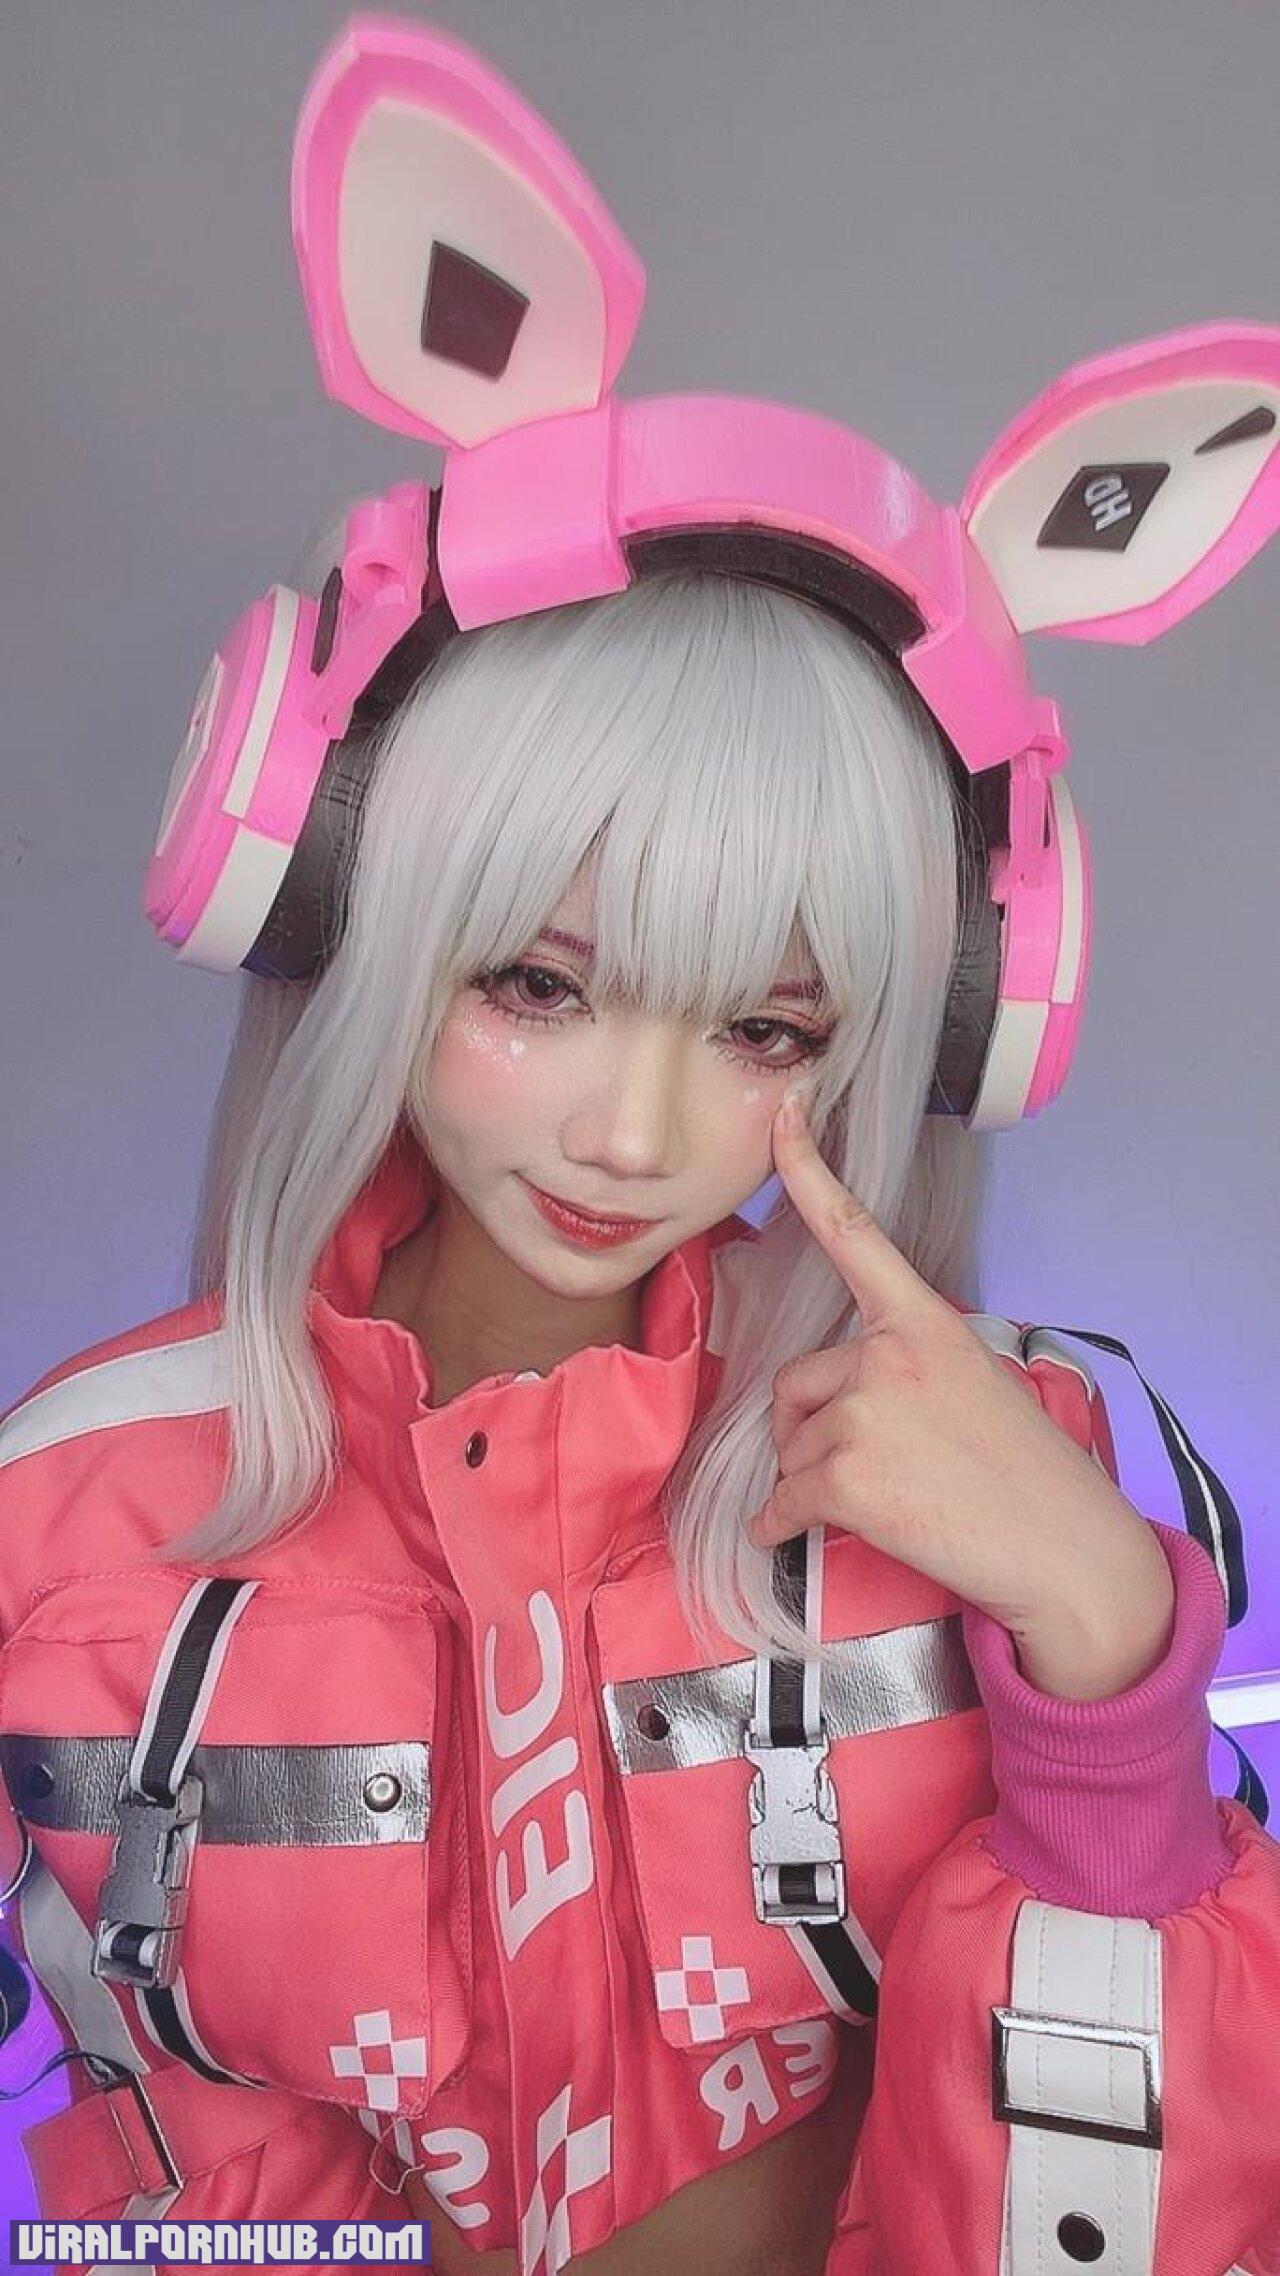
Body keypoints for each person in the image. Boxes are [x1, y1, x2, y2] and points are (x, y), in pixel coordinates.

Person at [2, 16, 1279, 2274]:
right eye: (537, 979)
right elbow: (161, 2157)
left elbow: (1153, 2204)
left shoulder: (1042, 1460)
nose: (636, 1127)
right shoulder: (77, 1506)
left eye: (768, 1024)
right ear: (331, 901)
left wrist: (1100, 1644)